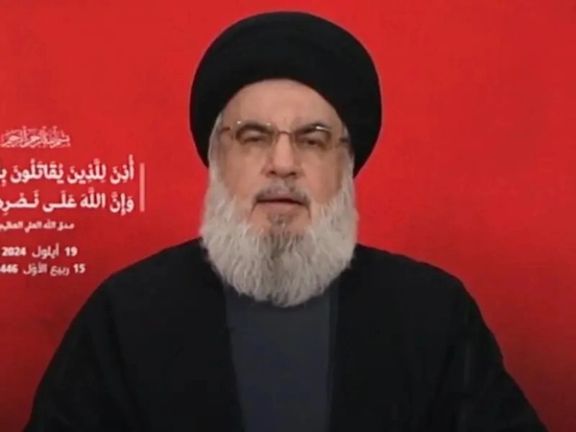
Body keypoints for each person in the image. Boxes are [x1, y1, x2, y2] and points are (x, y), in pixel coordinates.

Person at [25, 11, 546, 432]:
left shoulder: (432, 314)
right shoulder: (126, 314)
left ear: (346, 165)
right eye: (253, 137)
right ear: (216, 160)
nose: (282, 163)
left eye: (313, 140)